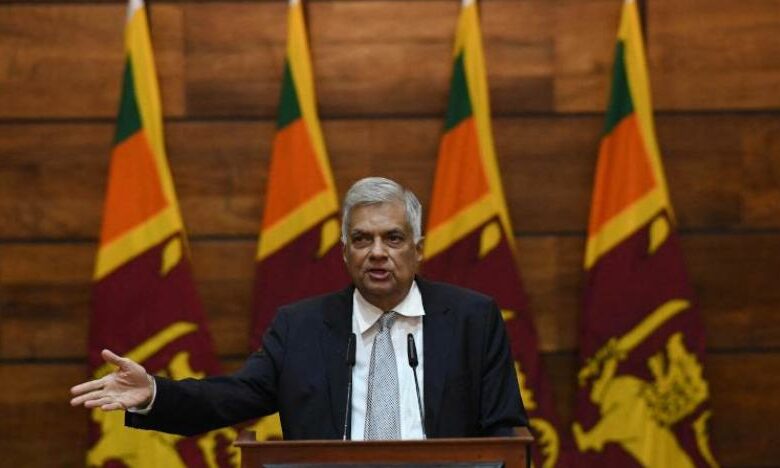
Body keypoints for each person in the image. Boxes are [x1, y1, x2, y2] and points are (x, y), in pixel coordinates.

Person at [71, 177, 527, 440]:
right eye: (362, 239)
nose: (377, 253)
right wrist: (154, 393)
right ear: (344, 252)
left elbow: (505, 428)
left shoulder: (472, 319)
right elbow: (233, 397)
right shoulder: (301, 327)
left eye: (393, 238)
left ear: (418, 249)